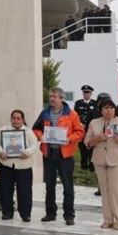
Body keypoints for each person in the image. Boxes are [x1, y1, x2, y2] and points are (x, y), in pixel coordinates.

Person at [33, 87, 85, 225]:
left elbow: (80, 132)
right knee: (50, 185)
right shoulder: (44, 113)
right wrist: (41, 136)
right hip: (49, 153)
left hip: (65, 154)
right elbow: (36, 128)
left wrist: (70, 138)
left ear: (62, 98)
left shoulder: (72, 114)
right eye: (50, 96)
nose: (51, 99)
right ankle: (50, 213)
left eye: (55, 96)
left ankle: (69, 215)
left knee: (68, 186)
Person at [85, 94, 118, 229]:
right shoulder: (94, 123)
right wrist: (97, 138)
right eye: (106, 108)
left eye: (111, 108)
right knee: (105, 190)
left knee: (116, 190)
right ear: (101, 110)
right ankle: (107, 220)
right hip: (100, 160)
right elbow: (87, 142)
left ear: (114, 110)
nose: (109, 110)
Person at [0, 109, 39, 222]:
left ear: (23, 119)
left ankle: (25, 214)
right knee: (6, 190)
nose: (16, 120)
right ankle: (7, 213)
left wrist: (26, 152)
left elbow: (35, 144)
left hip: (24, 167)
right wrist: (0, 152)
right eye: (14, 118)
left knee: (25, 192)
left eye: (18, 118)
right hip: (7, 166)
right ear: (11, 119)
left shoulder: (27, 132)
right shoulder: (4, 130)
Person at [74, 85, 98, 172]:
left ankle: (92, 165)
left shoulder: (95, 103)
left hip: (91, 129)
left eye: (88, 92)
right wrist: (79, 124)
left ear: (91, 93)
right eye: (84, 92)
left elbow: (96, 117)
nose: (86, 94)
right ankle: (84, 165)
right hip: (81, 129)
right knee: (82, 147)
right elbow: (75, 116)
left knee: (91, 147)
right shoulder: (78, 103)